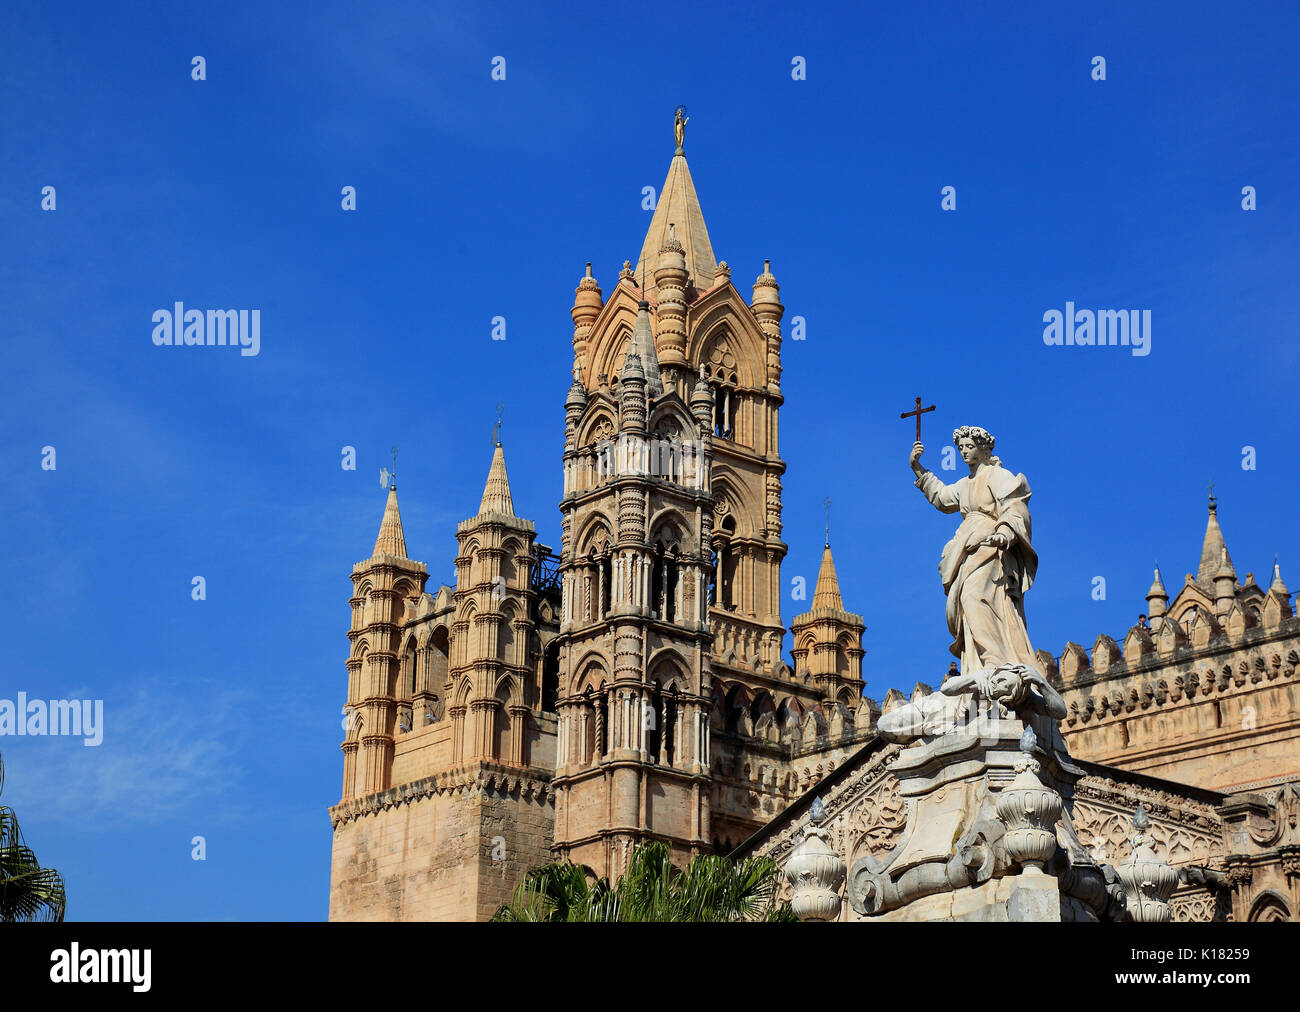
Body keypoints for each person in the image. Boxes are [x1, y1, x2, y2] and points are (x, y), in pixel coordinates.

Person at [910, 426, 1039, 678]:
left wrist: (1005, 532)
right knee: (964, 603)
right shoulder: (965, 484)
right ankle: (980, 660)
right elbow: (941, 496)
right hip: (966, 546)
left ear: (982, 449)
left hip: (990, 544)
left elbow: (1016, 506)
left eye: (969, 447)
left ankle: (995, 659)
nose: (964, 452)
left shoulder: (998, 476)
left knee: (974, 596)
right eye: (961, 448)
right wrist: (918, 468)